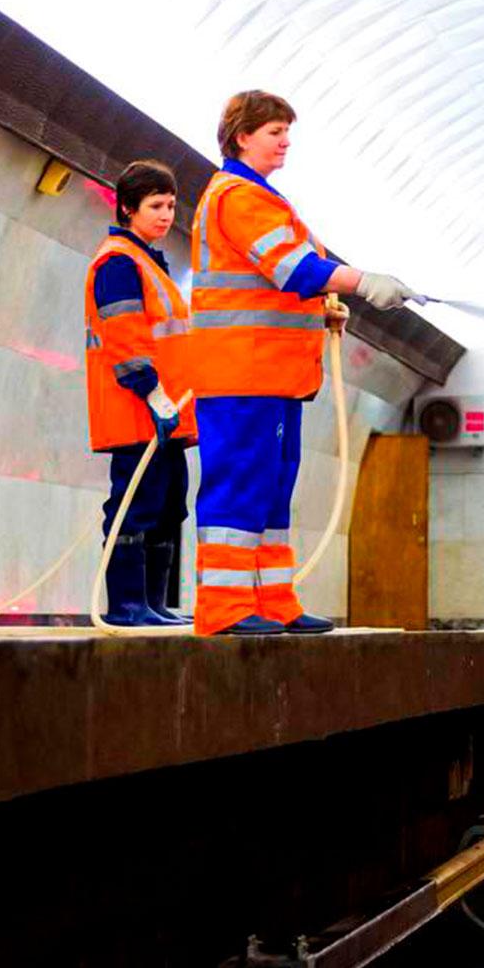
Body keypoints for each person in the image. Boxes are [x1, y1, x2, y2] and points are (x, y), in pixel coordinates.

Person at [189, 90, 420, 636]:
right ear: (242, 136)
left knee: (272, 488)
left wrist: (325, 306)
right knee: (240, 484)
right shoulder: (239, 198)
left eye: (287, 131)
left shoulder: (266, 199)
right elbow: (293, 269)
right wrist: (363, 282)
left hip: (273, 377)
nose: (286, 141)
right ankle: (223, 609)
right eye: (275, 132)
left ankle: (273, 602)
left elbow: (295, 277)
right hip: (243, 373)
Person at [84, 159, 195, 626]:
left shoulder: (152, 263)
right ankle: (127, 605)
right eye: (155, 205)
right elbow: (126, 339)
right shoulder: (118, 263)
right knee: (135, 503)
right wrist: (153, 394)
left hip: (165, 414)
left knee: (170, 503)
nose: (166, 215)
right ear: (128, 208)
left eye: (170, 205)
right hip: (137, 412)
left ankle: (154, 602)